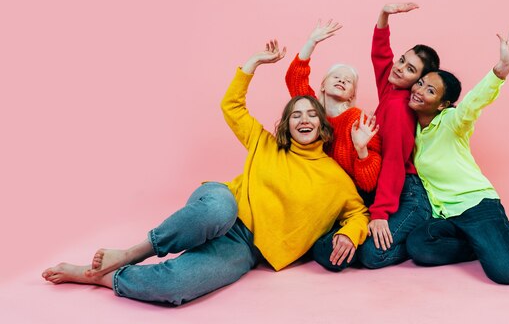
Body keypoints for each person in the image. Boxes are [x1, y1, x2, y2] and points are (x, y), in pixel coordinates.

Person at [42, 40, 370, 305]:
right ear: (286, 124)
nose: (304, 120)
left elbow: (358, 211)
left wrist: (350, 232)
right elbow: (232, 106)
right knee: (218, 209)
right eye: (296, 114)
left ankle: (98, 275)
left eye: (311, 115)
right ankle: (130, 253)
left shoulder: (335, 178)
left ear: (322, 126)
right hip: (221, 204)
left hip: (246, 247)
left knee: (174, 287)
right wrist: (252, 64)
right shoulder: (267, 144)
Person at [405, 25, 509, 284]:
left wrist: (501, 71)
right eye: (420, 83)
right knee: (418, 246)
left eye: (430, 91)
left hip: (476, 206)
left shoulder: (452, 121)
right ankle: (485, 245)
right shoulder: (414, 131)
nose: (419, 90)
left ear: (442, 104)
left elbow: (472, 104)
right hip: (447, 215)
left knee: (507, 272)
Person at [284, 20, 382, 270]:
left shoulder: (357, 119)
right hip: (317, 195)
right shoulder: (312, 114)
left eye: (347, 81)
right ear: (323, 85)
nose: (341, 80)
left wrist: (361, 150)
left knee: (333, 257)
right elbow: (295, 80)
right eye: (336, 77)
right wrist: (312, 42)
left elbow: (369, 183)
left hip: (352, 199)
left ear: (351, 94)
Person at [356, 3, 440, 269]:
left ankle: (429, 237)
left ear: (418, 82)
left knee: (371, 255)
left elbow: (394, 161)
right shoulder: (391, 89)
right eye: (403, 60)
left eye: (410, 69)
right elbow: (381, 59)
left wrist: (380, 213)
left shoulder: (398, 107)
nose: (400, 68)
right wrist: (384, 15)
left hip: (408, 195)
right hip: (390, 188)